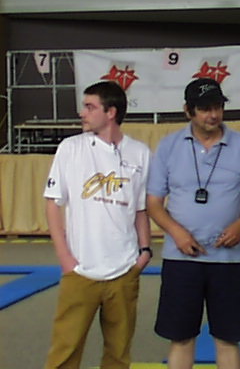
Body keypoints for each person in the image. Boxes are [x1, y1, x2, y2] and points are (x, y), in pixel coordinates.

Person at [146, 78, 240, 369]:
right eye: (205, 109)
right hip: (181, 259)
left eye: (218, 107)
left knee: (228, 339)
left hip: (229, 260)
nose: (213, 115)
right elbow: (154, 203)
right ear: (188, 111)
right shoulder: (169, 146)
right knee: (181, 338)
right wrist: (177, 233)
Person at [43, 81, 152, 369]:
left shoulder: (140, 153)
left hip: (125, 270)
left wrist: (144, 252)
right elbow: (53, 203)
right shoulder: (70, 149)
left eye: (90, 107)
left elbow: (140, 209)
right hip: (81, 270)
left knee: (118, 354)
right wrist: (66, 259)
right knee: (64, 352)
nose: (83, 113)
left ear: (111, 112)